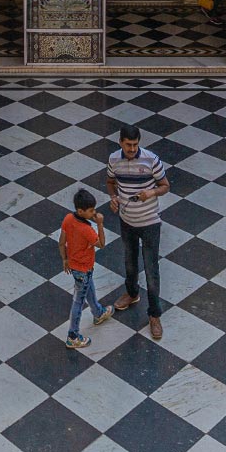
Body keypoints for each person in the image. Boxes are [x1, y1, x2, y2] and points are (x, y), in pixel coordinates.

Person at [105, 123, 171, 341]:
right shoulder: (114, 159)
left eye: (135, 145)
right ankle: (132, 293)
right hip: (126, 221)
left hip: (150, 222)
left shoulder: (151, 159)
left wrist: (151, 192)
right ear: (120, 143)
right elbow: (110, 181)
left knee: (151, 269)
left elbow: (165, 185)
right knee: (130, 261)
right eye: (128, 145)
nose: (132, 149)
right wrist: (113, 198)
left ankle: (154, 314)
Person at [58, 187, 112, 349]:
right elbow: (101, 244)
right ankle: (72, 335)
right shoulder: (87, 229)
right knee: (78, 302)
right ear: (80, 211)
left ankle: (98, 313)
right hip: (83, 269)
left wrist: (65, 259)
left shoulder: (68, 219)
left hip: (75, 266)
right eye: (90, 211)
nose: (93, 213)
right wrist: (100, 224)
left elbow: (61, 242)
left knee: (89, 288)